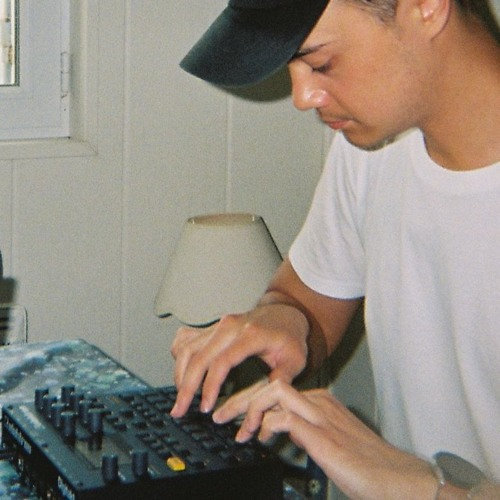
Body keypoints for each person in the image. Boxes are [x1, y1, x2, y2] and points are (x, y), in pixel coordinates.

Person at [170, 0, 500, 498]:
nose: (302, 97)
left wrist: (423, 487)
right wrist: (285, 320)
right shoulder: (373, 146)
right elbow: (309, 296)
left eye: (321, 63)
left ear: (427, 7)